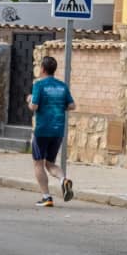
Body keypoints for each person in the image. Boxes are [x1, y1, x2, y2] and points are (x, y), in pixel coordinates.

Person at [28, 55, 76, 207]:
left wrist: (29, 100)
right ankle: (63, 180)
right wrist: (59, 105)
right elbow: (72, 106)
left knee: (38, 164)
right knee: (50, 163)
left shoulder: (39, 85)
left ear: (42, 69)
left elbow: (34, 106)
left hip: (42, 130)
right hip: (58, 131)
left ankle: (46, 197)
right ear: (54, 69)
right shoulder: (62, 86)